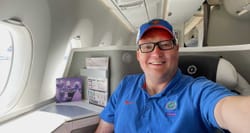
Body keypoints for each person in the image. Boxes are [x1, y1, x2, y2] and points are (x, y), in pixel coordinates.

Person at [95, 18, 250, 133]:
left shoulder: (197, 92)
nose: (156, 53)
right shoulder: (125, 86)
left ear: (176, 49)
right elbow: (103, 129)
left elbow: (226, 108)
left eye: (165, 45)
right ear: (138, 55)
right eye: (147, 46)